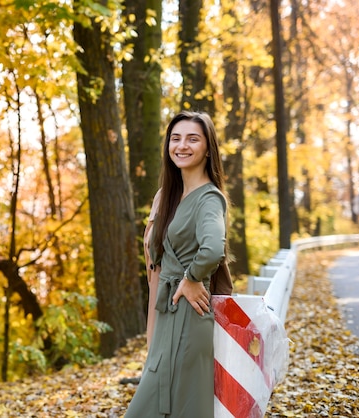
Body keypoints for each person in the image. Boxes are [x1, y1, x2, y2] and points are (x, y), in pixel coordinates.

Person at [125, 111, 229, 418]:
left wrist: (193, 278)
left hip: (188, 314)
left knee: (181, 404)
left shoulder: (209, 198)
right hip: (166, 313)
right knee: (164, 402)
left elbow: (212, 249)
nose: (182, 145)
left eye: (192, 139)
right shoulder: (169, 195)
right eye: (176, 138)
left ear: (208, 148)